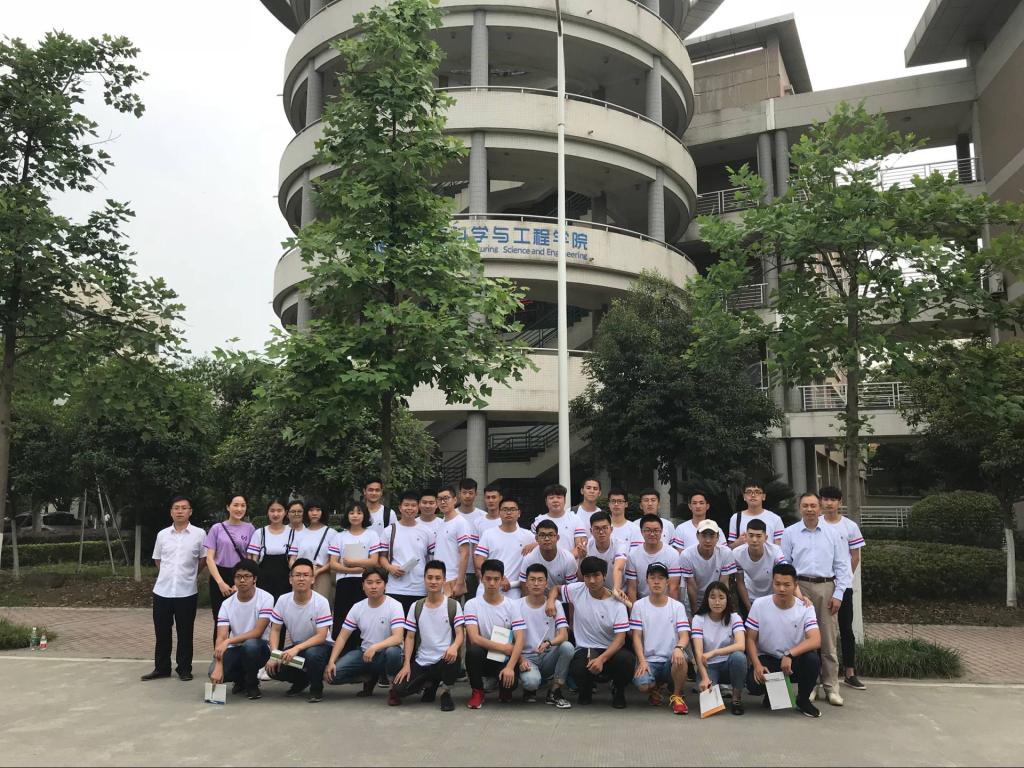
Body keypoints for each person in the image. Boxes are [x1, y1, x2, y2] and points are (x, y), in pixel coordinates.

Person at [780, 492, 852, 707]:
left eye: (813, 505)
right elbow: (785, 565)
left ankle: (831, 687)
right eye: (805, 506)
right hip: (799, 588)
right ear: (800, 508)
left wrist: (838, 594)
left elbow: (843, 566)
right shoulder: (790, 532)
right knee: (804, 639)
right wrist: (794, 591)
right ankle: (809, 686)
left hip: (826, 587)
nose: (809, 509)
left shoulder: (833, 533)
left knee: (828, 640)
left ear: (819, 508)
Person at [552, 556, 634, 708]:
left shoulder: (617, 603)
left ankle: (618, 690)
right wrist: (551, 602)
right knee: (577, 666)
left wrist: (601, 659)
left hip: (610, 650)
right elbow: (556, 589)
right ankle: (586, 689)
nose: (592, 580)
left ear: (604, 576)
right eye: (587, 576)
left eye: (596, 575)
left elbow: (620, 639)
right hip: (586, 648)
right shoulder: (578, 589)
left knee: (627, 660)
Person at [142, 495, 207, 681]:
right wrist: (169, 575)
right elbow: (158, 559)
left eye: (184, 508)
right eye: (176, 508)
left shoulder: (199, 534)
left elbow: (203, 559)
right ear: (171, 512)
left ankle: (184, 669)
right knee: (162, 632)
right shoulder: (162, 534)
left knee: (185, 632)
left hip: (187, 591)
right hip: (162, 591)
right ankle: (162, 668)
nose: (180, 511)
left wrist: (189, 575)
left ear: (190, 511)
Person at [745, 563, 822, 718]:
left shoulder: (805, 608)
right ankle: (771, 694)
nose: (781, 589)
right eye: (777, 584)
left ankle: (803, 700)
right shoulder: (759, 604)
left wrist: (789, 654)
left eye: (787, 585)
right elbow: (750, 639)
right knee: (754, 685)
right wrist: (757, 665)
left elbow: (815, 640)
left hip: (793, 661)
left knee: (812, 660)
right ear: (772, 583)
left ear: (795, 585)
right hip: (768, 658)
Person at [390, 560, 465, 711]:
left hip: (444, 659)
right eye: (429, 577)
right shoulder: (416, 606)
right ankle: (430, 684)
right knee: (399, 689)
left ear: (444, 580)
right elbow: (410, 637)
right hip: (422, 661)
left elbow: (460, 634)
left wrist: (454, 647)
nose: (433, 581)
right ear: (424, 579)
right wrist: (406, 664)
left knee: (453, 659)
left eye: (438, 578)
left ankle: (445, 692)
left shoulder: (453, 605)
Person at [325, 567, 405, 701]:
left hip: (385, 653)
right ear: (363, 586)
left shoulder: (395, 605)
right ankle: (368, 677)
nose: (374, 586)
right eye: (369, 582)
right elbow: (342, 637)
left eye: (378, 582)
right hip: (364, 653)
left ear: (385, 585)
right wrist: (331, 661)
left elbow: (398, 637)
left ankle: (394, 685)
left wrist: (375, 647)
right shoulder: (357, 607)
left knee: (393, 652)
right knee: (331, 676)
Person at [819, 485, 867, 691]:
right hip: (822, 584)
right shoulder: (816, 524)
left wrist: (844, 579)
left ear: (840, 502)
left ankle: (849, 672)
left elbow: (855, 556)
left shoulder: (850, 526)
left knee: (846, 629)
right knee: (820, 630)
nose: (829, 503)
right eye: (825, 499)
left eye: (833, 499)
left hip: (843, 586)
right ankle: (821, 673)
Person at [265, 558, 332, 702]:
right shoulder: (283, 600)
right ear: (290, 579)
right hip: (298, 647)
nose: (301, 578)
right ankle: (302, 681)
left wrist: (296, 649)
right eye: (297, 575)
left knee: (313, 654)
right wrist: (274, 655)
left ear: (312, 579)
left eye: (306, 575)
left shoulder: (321, 602)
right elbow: (275, 630)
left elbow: (321, 636)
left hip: (321, 646)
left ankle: (316, 688)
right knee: (273, 669)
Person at [463, 559, 526, 709]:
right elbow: (474, 638)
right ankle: (477, 692)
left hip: (504, 658)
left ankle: (504, 687)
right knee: (473, 652)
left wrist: (510, 667)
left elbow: (520, 638)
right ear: (482, 579)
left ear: (502, 580)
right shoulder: (472, 604)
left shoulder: (512, 605)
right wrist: (503, 647)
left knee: (509, 686)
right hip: (485, 655)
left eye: (496, 579)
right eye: (488, 578)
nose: (492, 583)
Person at [629, 563, 691, 715]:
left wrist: (679, 648)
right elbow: (636, 637)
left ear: (667, 582)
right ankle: (655, 688)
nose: (656, 582)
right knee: (643, 685)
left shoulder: (677, 606)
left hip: (670, 660)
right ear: (647, 581)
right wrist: (642, 661)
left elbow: (684, 635)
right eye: (652, 578)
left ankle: (676, 696)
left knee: (681, 657)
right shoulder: (639, 606)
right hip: (649, 660)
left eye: (661, 578)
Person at [208, 560, 273, 699]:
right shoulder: (226, 604)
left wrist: (228, 641)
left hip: (259, 647)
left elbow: (257, 632)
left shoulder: (266, 598)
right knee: (212, 671)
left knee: (250, 646)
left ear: (254, 579)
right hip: (236, 647)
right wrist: (218, 663)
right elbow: (221, 636)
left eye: (247, 576)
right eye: (238, 577)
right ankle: (240, 680)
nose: (242, 580)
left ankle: (252, 683)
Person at [517, 563, 573, 708]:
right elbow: (511, 639)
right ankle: (530, 688)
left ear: (546, 583)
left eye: (540, 580)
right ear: (526, 583)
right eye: (532, 579)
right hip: (527, 657)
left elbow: (564, 635)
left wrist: (549, 643)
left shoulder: (555, 605)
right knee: (531, 682)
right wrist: (520, 659)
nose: (536, 583)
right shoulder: (516, 605)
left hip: (548, 655)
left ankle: (555, 691)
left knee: (567, 647)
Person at [328, 501, 382, 644]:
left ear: (365, 515)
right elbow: (333, 564)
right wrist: (352, 569)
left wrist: (352, 562)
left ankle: (361, 647)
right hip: (344, 582)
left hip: (364, 583)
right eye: (351, 513)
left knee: (363, 617)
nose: (355, 516)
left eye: (359, 512)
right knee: (342, 616)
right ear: (347, 515)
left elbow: (374, 561)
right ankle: (341, 649)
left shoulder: (372, 535)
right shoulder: (339, 537)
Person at [692, 580, 748, 715]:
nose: (717, 602)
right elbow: (698, 652)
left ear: (727, 599)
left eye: (721, 597)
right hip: (708, 666)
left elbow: (741, 645)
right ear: (706, 599)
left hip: (728, 664)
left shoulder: (734, 617)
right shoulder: (698, 619)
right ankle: (711, 684)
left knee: (739, 657)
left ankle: (736, 698)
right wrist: (704, 677)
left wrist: (714, 653)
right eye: (713, 597)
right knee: (709, 704)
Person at [204, 493, 256, 636]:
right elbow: (209, 558)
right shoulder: (217, 528)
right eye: (235, 505)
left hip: (242, 575)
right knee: (220, 620)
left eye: (243, 505)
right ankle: (219, 650)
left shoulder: (250, 529)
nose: (239, 509)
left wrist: (241, 582)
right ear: (228, 507)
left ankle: (237, 650)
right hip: (219, 575)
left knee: (240, 620)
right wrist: (220, 583)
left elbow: (251, 558)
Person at [380, 491, 434, 613]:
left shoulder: (427, 532)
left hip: (419, 588)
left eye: (413, 505)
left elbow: (431, 559)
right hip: (395, 588)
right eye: (406, 505)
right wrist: (390, 567)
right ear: (400, 507)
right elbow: (382, 557)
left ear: (418, 508)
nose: (410, 508)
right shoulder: (389, 531)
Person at [474, 496, 535, 599]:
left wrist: (536, 544)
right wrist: (499, 577)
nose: (509, 512)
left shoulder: (528, 536)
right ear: (499, 513)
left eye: (512, 509)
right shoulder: (489, 534)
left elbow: (548, 544)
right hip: (487, 589)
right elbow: (479, 560)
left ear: (519, 513)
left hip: (512, 591)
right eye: (505, 509)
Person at [678, 520, 738, 615]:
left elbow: (723, 583)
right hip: (694, 599)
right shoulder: (686, 555)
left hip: (716, 598)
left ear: (718, 537)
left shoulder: (726, 553)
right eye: (704, 535)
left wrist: (719, 607)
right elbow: (691, 586)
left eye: (712, 536)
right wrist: (695, 613)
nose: (708, 540)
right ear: (697, 536)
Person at [733, 518, 788, 616]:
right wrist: (748, 607)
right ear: (745, 536)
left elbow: (786, 573)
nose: (754, 540)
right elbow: (740, 582)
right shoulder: (737, 553)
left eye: (758, 536)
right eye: (751, 535)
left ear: (765, 538)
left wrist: (800, 597)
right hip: (750, 597)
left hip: (772, 597)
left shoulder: (775, 550)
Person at [625, 514, 681, 604]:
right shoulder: (633, 554)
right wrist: (634, 611)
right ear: (641, 532)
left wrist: (672, 609)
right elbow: (632, 588)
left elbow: (673, 588)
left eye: (656, 530)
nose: (652, 534)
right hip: (642, 603)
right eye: (647, 530)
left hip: (666, 603)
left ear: (661, 531)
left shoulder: (673, 554)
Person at [246, 499, 293, 602]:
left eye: (279, 510)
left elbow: (293, 560)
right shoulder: (260, 533)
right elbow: (253, 560)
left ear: (285, 512)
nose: (275, 514)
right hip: (263, 582)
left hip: (286, 582)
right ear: (267, 512)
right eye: (272, 510)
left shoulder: (292, 533)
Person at [288, 499, 334, 603]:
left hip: (322, 574)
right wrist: (297, 570)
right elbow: (292, 558)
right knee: (299, 604)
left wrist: (317, 571)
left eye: (318, 510)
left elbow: (333, 560)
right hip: (301, 574)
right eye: (311, 510)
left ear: (323, 512)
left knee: (320, 604)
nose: (314, 513)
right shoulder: (299, 534)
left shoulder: (331, 533)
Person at [433, 485, 473, 598]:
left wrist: (459, 583)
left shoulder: (460, 522)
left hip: (452, 580)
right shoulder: (441, 522)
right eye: (440, 499)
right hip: (439, 578)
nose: (443, 502)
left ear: (455, 500)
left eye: (446, 498)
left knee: (451, 609)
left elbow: (465, 554)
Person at [518, 520, 578, 592]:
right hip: (537, 598)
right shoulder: (529, 559)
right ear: (536, 538)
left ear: (557, 538)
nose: (547, 539)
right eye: (542, 535)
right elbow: (524, 584)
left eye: (550, 535)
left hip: (562, 597)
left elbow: (572, 589)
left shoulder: (568, 559)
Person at [531, 484, 587, 557]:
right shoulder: (538, 522)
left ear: (565, 500)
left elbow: (580, 546)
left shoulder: (575, 519)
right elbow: (533, 546)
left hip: (569, 562)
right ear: (546, 501)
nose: (555, 501)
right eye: (551, 498)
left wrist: (564, 560)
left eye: (559, 497)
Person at [467, 482, 502, 600]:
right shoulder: (478, 522)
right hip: (484, 572)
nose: (490, 500)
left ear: (500, 498)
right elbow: (475, 548)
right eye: (488, 497)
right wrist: (478, 571)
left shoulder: (506, 520)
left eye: (494, 497)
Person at [728, 482, 785, 547]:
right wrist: (737, 543)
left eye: (757, 492)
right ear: (744, 496)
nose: (753, 495)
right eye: (749, 492)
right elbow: (729, 548)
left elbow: (780, 548)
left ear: (764, 496)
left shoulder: (775, 519)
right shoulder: (736, 518)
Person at [585, 511, 629, 594]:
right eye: (597, 528)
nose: (601, 532)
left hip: (618, 592)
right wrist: (581, 557)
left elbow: (618, 568)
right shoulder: (587, 546)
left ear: (611, 529)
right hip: (596, 593)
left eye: (605, 528)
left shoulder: (620, 545)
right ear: (591, 531)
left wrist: (616, 589)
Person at [607, 487, 641, 552]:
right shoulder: (603, 528)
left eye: (620, 501)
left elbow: (637, 553)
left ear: (626, 504)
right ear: (609, 504)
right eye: (613, 501)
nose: (616, 504)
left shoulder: (635, 529)